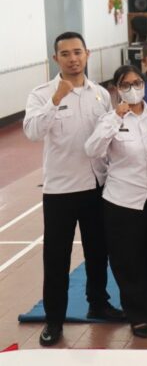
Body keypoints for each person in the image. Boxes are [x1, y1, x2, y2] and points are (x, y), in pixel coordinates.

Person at [23, 32, 123, 347]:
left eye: (77, 52)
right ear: (56, 59)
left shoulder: (100, 94)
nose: (73, 59)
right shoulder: (41, 94)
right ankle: (54, 319)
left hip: (97, 185)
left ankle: (98, 302)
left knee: (98, 250)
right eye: (65, 54)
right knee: (57, 257)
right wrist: (56, 99)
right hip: (61, 190)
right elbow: (32, 132)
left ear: (87, 54)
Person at [84, 65, 147, 339]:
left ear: (144, 85)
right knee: (127, 260)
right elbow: (93, 150)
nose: (133, 88)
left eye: (137, 83)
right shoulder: (109, 119)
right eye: (126, 85)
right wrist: (116, 118)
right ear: (117, 89)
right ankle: (137, 315)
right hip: (123, 201)